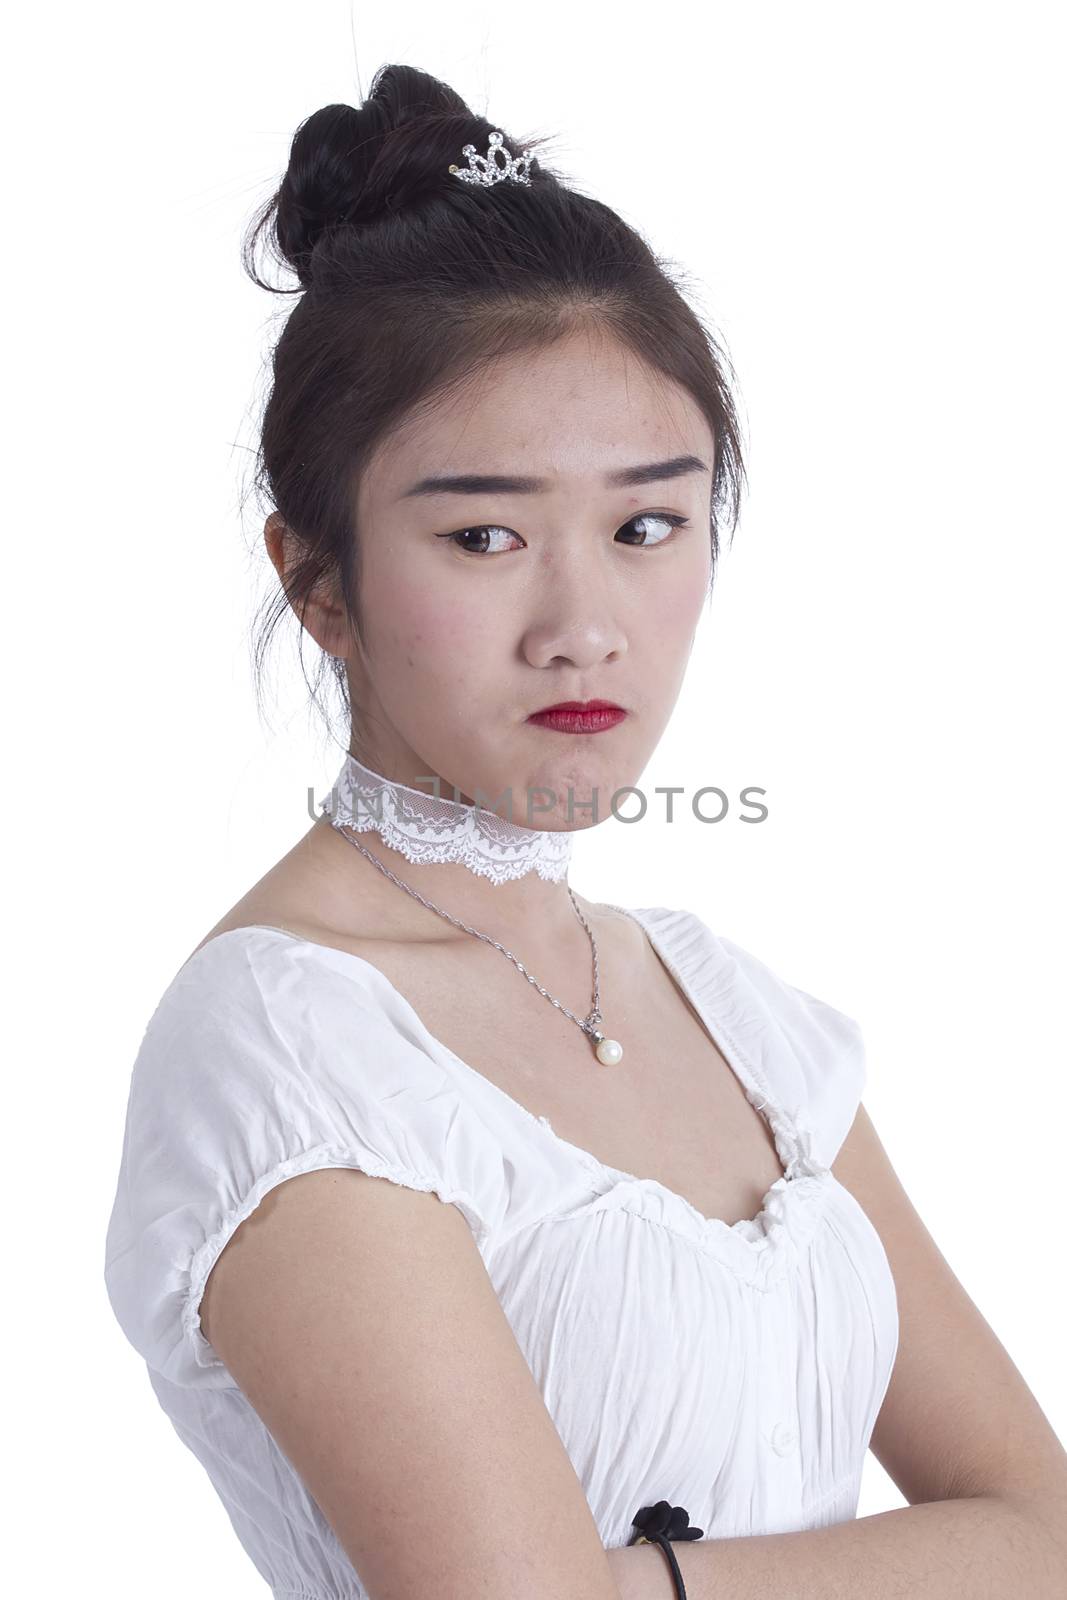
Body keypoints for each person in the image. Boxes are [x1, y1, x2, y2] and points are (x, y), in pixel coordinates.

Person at [103, 62, 1067, 1600]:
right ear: (319, 579)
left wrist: (637, 1581)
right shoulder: (290, 1045)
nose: (583, 628)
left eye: (645, 526)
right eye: (483, 535)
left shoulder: (730, 1007)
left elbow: (1046, 1527)